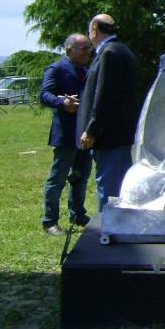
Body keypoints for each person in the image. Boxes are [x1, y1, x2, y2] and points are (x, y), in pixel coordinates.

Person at [78, 13, 140, 212]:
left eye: (89, 31)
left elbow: (105, 95)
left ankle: (108, 229)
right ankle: (121, 227)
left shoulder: (109, 53)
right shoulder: (122, 50)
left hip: (110, 134)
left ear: (95, 29)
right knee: (121, 185)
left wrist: (92, 129)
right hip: (121, 133)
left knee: (109, 186)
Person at [38, 33, 93, 235]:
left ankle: (78, 214)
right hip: (66, 133)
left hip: (85, 133)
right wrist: (62, 102)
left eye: (89, 47)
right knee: (58, 177)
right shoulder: (57, 69)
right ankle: (50, 221)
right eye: (83, 48)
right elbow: (44, 95)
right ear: (70, 50)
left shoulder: (85, 69)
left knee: (81, 176)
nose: (88, 51)